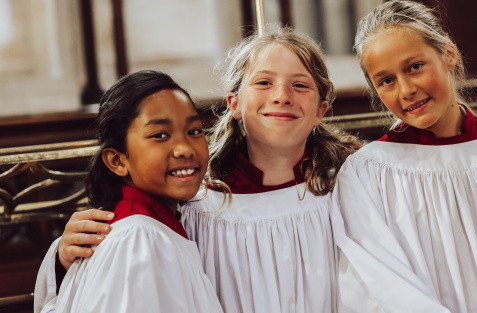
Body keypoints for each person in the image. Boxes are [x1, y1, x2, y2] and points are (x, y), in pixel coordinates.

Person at [35, 28, 362, 313]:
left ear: (321, 110)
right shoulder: (194, 208)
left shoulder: (349, 194)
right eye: (263, 81)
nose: (282, 96)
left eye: (300, 85)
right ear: (234, 103)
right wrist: (64, 257)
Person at [331, 1, 477, 313]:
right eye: (386, 80)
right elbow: (376, 282)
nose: (406, 89)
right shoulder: (368, 174)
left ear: (448, 54)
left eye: (414, 67)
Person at [34, 70, 223, 313]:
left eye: (194, 131)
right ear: (117, 160)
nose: (184, 149)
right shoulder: (137, 242)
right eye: (160, 135)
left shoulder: (165, 224)